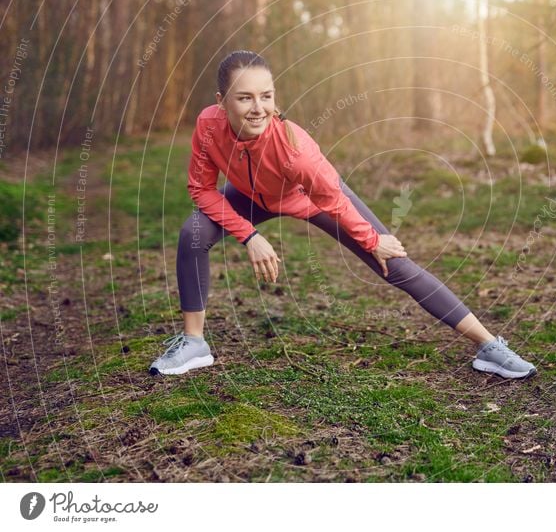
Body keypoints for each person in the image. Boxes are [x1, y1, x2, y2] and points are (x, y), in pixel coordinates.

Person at [149, 50, 536, 380]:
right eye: (245, 98)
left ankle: (487, 345)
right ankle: (194, 344)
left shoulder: (294, 149)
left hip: (312, 197)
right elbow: (200, 189)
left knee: (394, 264)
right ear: (222, 101)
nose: (259, 108)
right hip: (249, 197)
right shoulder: (208, 125)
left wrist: (372, 240)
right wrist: (249, 235)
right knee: (193, 233)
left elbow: (332, 197)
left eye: (266, 96)